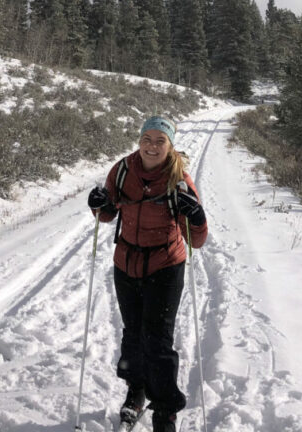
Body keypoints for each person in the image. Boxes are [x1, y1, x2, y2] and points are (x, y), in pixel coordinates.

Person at [88, 115, 208, 432]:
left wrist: (196, 215)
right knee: (133, 333)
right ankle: (136, 390)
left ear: (170, 145)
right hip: (126, 263)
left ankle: (165, 411)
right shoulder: (123, 170)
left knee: (157, 340)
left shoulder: (178, 178)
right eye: (147, 139)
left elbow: (196, 239)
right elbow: (108, 213)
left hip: (166, 265)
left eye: (160, 140)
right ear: (139, 140)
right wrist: (98, 205)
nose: (152, 146)